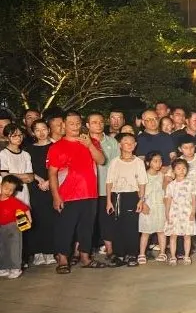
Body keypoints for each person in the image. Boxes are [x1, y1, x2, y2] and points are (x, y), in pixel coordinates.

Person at [47, 110, 107, 273]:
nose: (75, 126)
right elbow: (52, 174)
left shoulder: (91, 141)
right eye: (71, 123)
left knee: (87, 228)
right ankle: (63, 260)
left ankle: (85, 258)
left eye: (78, 123)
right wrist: (56, 196)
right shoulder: (57, 147)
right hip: (67, 195)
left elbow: (101, 160)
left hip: (90, 193)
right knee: (65, 228)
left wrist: (89, 145)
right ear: (64, 125)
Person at [106, 133, 147, 267]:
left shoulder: (138, 162)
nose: (129, 145)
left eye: (132, 142)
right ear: (120, 145)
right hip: (117, 196)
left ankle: (132, 254)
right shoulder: (115, 162)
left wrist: (141, 200)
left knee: (131, 226)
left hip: (132, 196)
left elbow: (142, 182)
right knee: (117, 225)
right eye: (126, 142)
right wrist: (108, 201)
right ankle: (119, 254)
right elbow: (109, 182)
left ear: (135, 145)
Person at [24, 120, 56, 266]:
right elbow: (26, 168)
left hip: (53, 185)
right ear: (33, 132)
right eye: (37, 130)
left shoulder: (55, 146)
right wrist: (39, 180)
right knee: (36, 218)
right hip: (35, 187)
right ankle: (37, 253)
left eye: (44, 129)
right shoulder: (28, 149)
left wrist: (49, 181)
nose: (41, 132)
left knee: (50, 218)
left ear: (49, 129)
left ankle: (50, 252)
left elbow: (61, 166)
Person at [88, 112, 119, 257]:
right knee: (86, 222)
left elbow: (116, 166)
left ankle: (109, 250)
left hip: (106, 188)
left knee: (107, 220)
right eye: (94, 122)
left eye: (101, 121)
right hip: (87, 190)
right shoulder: (82, 142)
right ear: (87, 125)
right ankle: (80, 252)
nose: (98, 125)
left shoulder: (112, 142)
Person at [164, 158, 196, 265]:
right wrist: (167, 213)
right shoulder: (171, 185)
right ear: (173, 170)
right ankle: (173, 256)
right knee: (173, 235)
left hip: (187, 212)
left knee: (187, 235)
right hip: (174, 213)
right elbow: (168, 200)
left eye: (184, 168)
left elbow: (194, 199)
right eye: (178, 168)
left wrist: (193, 212)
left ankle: (186, 256)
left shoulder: (191, 183)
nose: (182, 170)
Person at [139, 151, 167, 264]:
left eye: (160, 161)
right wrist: (143, 203)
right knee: (145, 232)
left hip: (160, 206)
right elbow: (139, 191)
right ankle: (142, 253)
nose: (158, 163)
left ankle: (162, 252)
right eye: (155, 161)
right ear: (148, 163)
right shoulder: (144, 175)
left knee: (161, 231)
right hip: (148, 206)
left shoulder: (162, 175)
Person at [0, 175, 31, 279]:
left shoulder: (14, 201)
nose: (8, 191)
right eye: (6, 188)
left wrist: (29, 219)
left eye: (11, 190)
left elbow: (25, 209)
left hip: (13, 226)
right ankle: (4, 267)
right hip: (1, 227)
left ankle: (15, 268)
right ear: (1, 186)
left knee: (14, 247)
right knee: (2, 247)